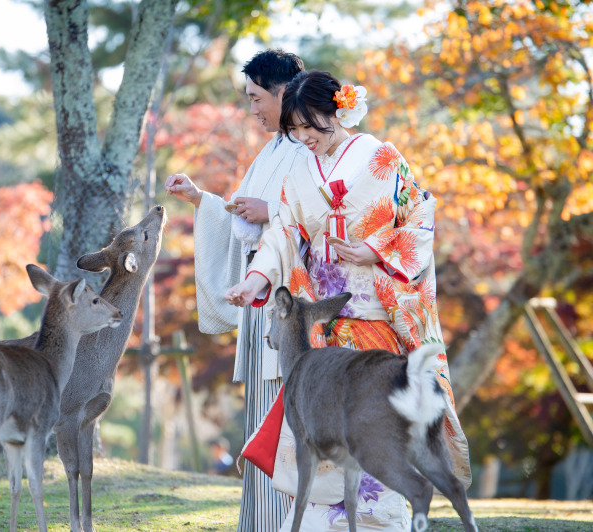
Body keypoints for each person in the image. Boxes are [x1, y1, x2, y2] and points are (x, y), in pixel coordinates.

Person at [225, 70, 472, 531]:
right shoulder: (300, 169)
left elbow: (420, 212)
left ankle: (383, 520)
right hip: (325, 323)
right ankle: (324, 520)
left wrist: (375, 249)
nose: (302, 138)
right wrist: (256, 280)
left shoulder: (382, 156)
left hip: (376, 317)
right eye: (293, 130)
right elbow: (284, 231)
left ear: (335, 111)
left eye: (308, 126)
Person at [164, 49, 305, 531]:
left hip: (287, 298)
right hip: (259, 293)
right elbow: (245, 218)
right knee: (262, 417)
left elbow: (317, 219)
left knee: (284, 417)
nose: (252, 109)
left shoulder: (310, 148)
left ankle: (286, 521)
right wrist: (202, 199)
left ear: (283, 91)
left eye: (255, 97)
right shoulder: (272, 149)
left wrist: (270, 213)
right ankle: (261, 522)